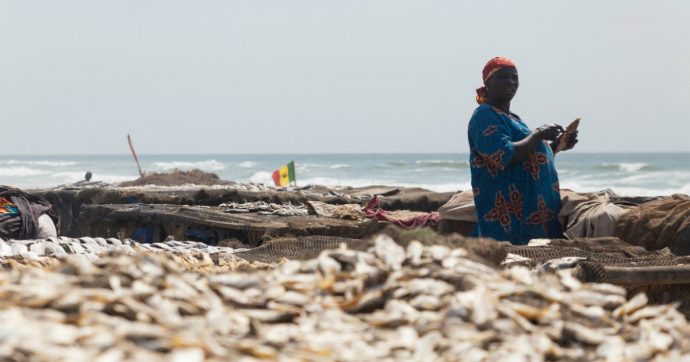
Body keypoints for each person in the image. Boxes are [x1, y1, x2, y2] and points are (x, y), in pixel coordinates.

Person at [467, 57, 578, 244]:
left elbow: (527, 156)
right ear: (487, 83)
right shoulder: (484, 115)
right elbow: (504, 155)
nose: (510, 82)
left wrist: (556, 146)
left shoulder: (512, 118)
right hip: (511, 219)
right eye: (503, 77)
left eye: (514, 78)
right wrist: (539, 134)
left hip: (537, 213)